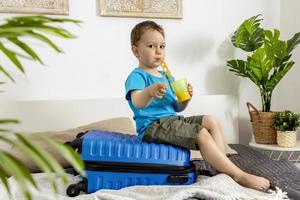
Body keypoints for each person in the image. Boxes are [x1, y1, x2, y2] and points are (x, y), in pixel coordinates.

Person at [125, 20, 270, 191]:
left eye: (162, 47)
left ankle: (223, 166)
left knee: (211, 121)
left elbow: (177, 108)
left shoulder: (166, 76)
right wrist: (149, 91)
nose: (158, 51)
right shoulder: (137, 76)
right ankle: (239, 175)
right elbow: (137, 102)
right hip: (153, 126)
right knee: (200, 133)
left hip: (172, 119)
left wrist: (185, 99)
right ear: (136, 51)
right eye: (151, 46)